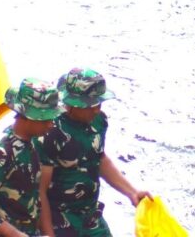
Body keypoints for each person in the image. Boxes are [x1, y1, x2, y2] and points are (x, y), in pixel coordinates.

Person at [39, 69, 149, 237]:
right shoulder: (51, 130)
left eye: (99, 103)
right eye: (91, 105)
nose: (97, 110)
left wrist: (132, 192)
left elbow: (100, 159)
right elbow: (40, 190)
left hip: (90, 216)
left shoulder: (98, 121)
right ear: (73, 104)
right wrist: (48, 234)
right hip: (59, 219)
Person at [0, 78, 61, 237]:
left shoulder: (35, 143)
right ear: (27, 117)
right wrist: (14, 234)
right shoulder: (3, 151)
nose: (51, 124)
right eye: (45, 119)